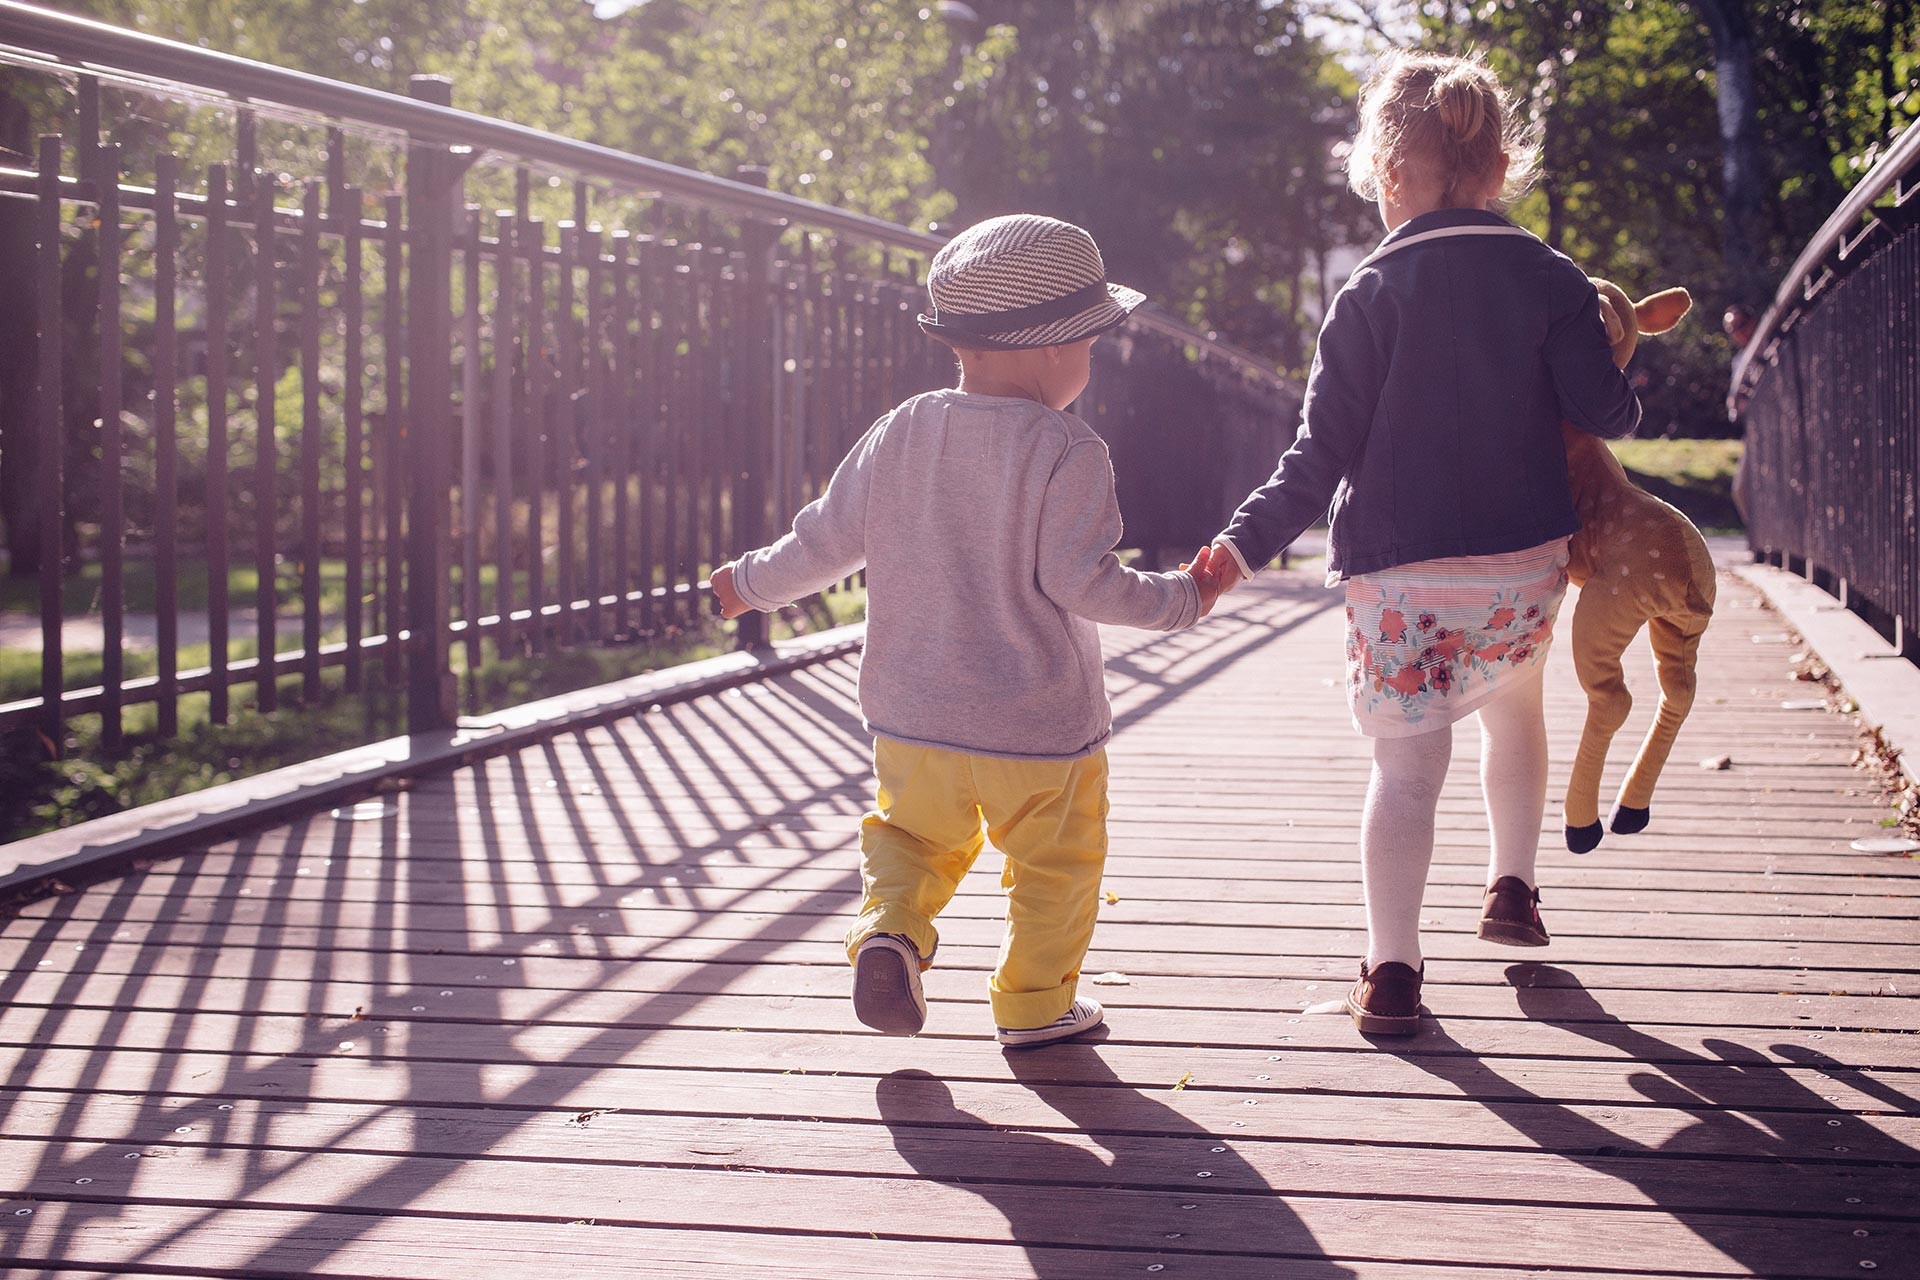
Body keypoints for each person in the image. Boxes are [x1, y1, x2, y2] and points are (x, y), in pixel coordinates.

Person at [1200, 52, 1641, 1035]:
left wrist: (1238, 549)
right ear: (1498, 166)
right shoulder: (1551, 277)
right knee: (1514, 708)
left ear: (1392, 173)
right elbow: (1608, 409)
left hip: (1400, 575)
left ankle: (1392, 969)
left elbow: (1316, 458)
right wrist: (1611, 337)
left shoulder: (1367, 294)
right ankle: (1512, 888)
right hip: (1520, 564)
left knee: (1405, 770)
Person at [708, 214, 1222, 1047]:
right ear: (1055, 349)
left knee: (909, 840)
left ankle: (891, 934)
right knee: (1054, 868)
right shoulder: (1068, 448)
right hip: (1040, 729)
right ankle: (1034, 1004)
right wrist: (1183, 599)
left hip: (914, 717)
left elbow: (825, 542)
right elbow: (1082, 583)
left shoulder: (902, 428)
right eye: (1090, 342)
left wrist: (748, 584)